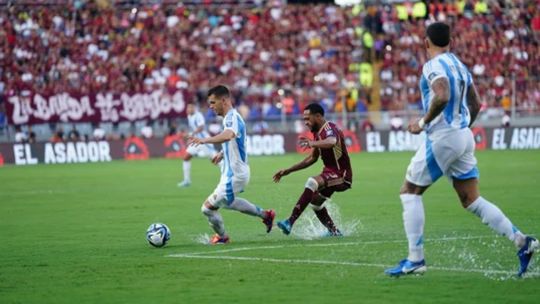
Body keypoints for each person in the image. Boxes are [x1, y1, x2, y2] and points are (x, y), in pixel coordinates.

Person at [385, 22, 538, 277]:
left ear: (426, 43)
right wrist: (461, 129)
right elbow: (476, 104)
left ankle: (416, 260)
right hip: (464, 135)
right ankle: (522, 242)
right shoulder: (459, 65)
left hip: (444, 137)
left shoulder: (433, 65)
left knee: (409, 191)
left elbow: (442, 95)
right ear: (451, 42)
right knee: (471, 199)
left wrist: (422, 123)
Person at [188, 85, 275, 244]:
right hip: (234, 172)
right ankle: (266, 215)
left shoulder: (231, 117)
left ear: (224, 100)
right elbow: (234, 139)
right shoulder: (230, 118)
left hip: (234, 174)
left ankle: (222, 237)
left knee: (207, 208)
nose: (211, 107)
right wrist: (222, 154)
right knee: (229, 203)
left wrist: (204, 140)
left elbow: (228, 135)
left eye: (213, 103)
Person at [273, 103, 352, 236]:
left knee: (312, 182)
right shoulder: (317, 133)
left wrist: (312, 143)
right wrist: (288, 170)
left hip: (341, 174)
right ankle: (334, 232)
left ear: (318, 116)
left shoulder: (329, 128)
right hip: (330, 173)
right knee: (315, 203)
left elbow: (331, 141)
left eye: (307, 119)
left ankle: (290, 222)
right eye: (304, 119)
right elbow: (312, 158)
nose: (306, 122)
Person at [178, 103, 217, 187]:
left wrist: (191, 134)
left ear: (194, 108)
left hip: (204, 141)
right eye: (188, 107)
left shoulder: (198, 115)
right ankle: (187, 180)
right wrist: (190, 138)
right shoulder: (189, 116)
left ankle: (231, 175)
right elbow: (193, 129)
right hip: (196, 141)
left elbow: (201, 127)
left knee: (215, 160)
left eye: (191, 107)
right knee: (186, 157)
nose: (189, 109)